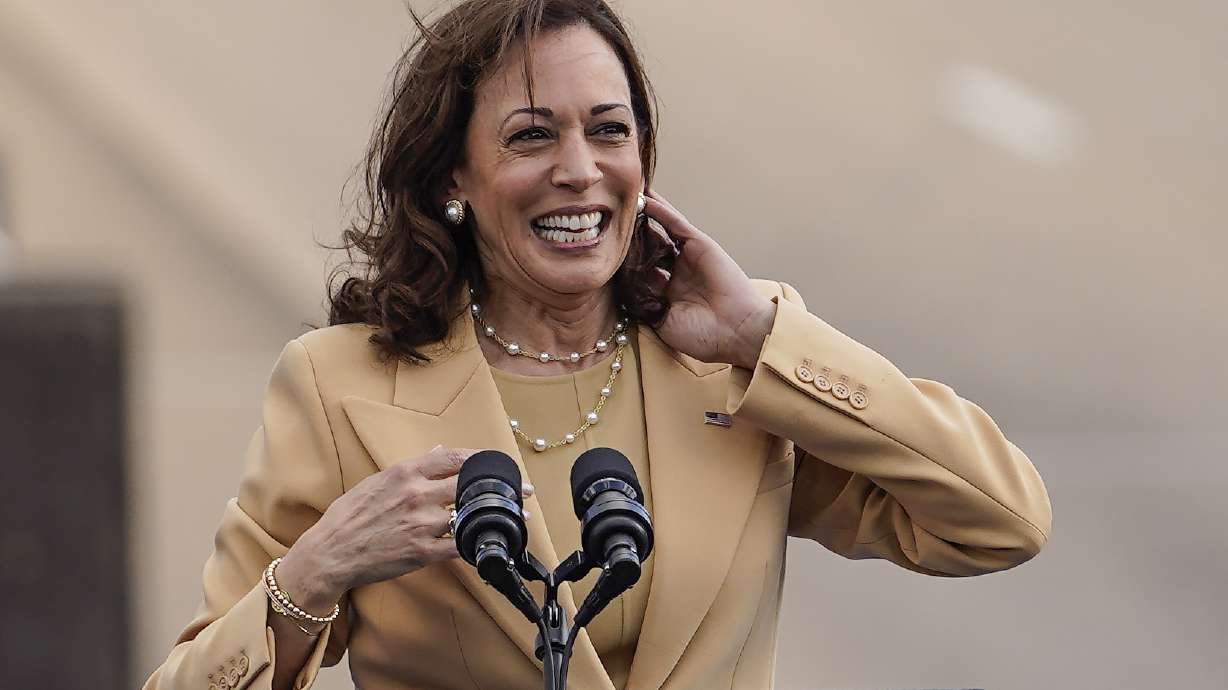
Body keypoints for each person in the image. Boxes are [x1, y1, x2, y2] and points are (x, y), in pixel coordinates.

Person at [144, 1, 1052, 688]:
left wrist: (766, 336)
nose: (579, 169)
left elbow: (1000, 522)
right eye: (532, 136)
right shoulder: (339, 388)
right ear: (455, 173)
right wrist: (316, 570)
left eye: (609, 130)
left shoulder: (736, 373)